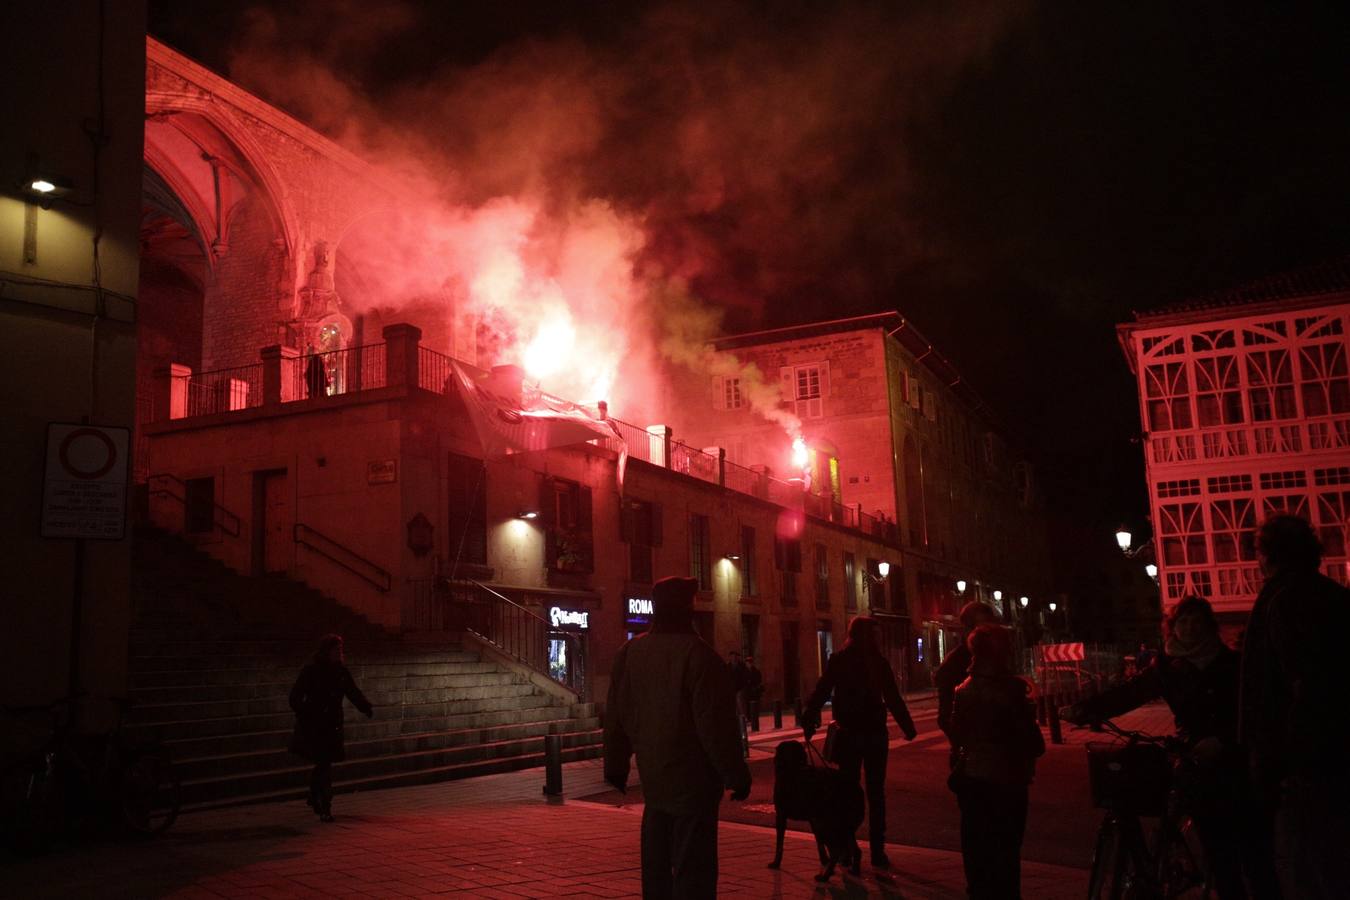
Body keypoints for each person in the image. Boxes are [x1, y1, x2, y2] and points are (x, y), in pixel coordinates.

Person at [1063, 596, 1278, 899]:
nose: (1190, 627)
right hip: (1193, 754)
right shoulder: (1166, 666)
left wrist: (1224, 740)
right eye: (1183, 621)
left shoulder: (1230, 664)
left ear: (1208, 626)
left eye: (1197, 621)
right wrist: (1086, 709)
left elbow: (1250, 710)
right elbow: (1132, 692)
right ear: (1172, 627)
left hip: (1230, 757)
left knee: (1247, 845)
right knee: (1212, 840)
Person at [604, 576, 751, 899]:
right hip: (694, 783)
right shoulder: (700, 657)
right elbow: (715, 726)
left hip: (653, 780)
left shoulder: (630, 653)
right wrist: (735, 773)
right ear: (688, 607)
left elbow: (615, 715)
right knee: (693, 869)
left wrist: (615, 764)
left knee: (655, 867)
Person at [1240, 514, 1350, 899]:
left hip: (1304, 763)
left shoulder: (1284, 600)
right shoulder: (1331, 594)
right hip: (1330, 754)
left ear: (1268, 555)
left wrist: (1281, 757)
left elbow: (1298, 683)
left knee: (1311, 863)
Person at [802, 615, 918, 869]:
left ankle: (848, 848)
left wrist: (810, 717)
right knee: (876, 794)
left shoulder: (840, 660)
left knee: (847, 792)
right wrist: (908, 727)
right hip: (875, 734)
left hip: (848, 734)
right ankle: (878, 850)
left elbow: (822, 690)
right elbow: (893, 698)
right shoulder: (878, 662)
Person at [949, 624, 1044, 899]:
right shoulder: (1012, 689)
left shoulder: (963, 689)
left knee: (976, 850)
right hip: (1007, 778)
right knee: (1006, 851)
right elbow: (1031, 742)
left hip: (972, 777)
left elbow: (958, 736)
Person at [288, 634, 374, 822]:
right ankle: (324, 805)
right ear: (326, 651)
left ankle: (315, 796)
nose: (339, 653)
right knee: (324, 764)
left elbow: (352, 691)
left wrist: (365, 706)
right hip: (315, 724)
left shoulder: (340, 672)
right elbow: (295, 696)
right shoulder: (312, 671)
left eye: (341, 650)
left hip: (332, 724)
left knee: (323, 763)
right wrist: (305, 713)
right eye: (336, 650)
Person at [936, 601, 998, 753]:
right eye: (983, 627)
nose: (989, 632)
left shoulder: (997, 657)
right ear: (968, 628)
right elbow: (946, 717)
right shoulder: (953, 665)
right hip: (974, 757)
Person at [744, 656, 764, 732]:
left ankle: (754, 719)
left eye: (750, 662)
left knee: (754, 706)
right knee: (748, 706)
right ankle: (750, 719)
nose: (749, 664)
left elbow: (759, 680)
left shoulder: (756, 671)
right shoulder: (745, 671)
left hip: (754, 691)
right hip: (748, 692)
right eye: (748, 662)